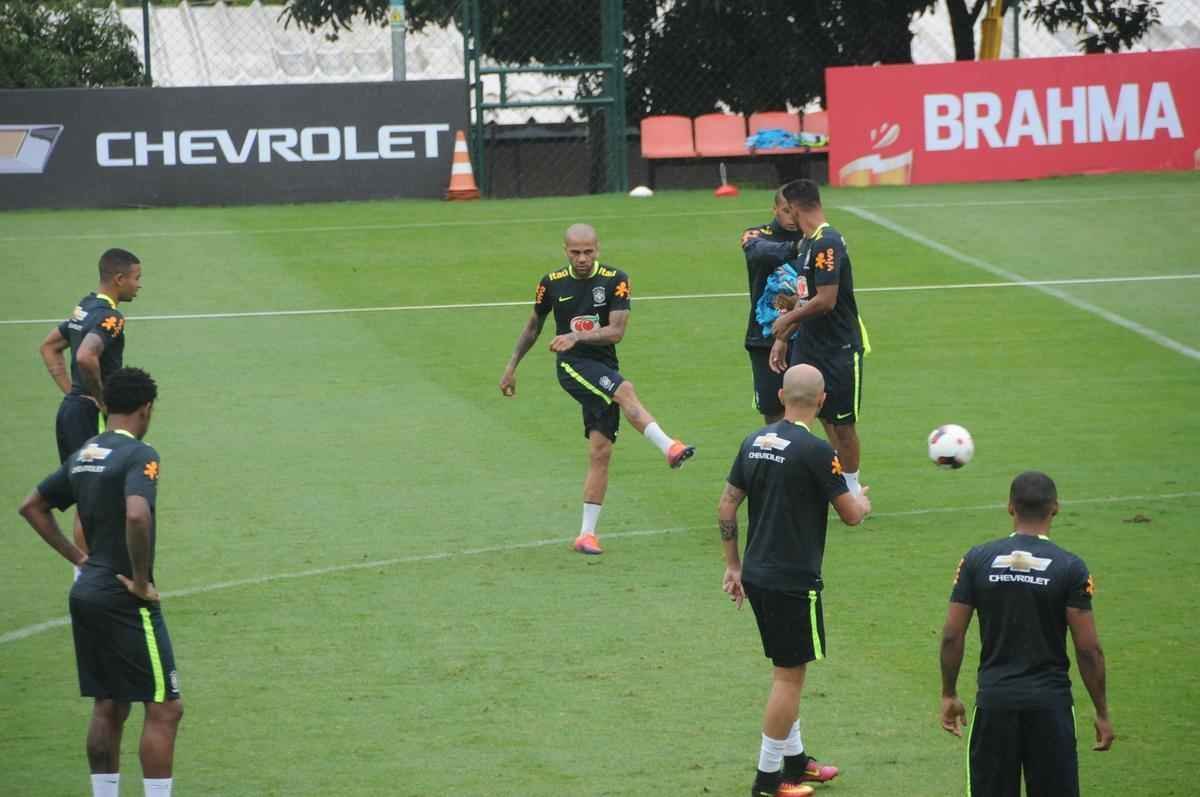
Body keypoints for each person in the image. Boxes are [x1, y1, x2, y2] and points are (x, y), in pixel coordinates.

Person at [18, 367, 183, 797]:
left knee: (109, 703)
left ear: (106, 405)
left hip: (87, 591)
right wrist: (142, 580)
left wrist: (78, 558)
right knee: (165, 706)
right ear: (146, 409)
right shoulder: (140, 454)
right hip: (122, 595)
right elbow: (136, 514)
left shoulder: (87, 452)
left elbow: (33, 506)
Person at [718, 364, 871, 797]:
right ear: (822, 401)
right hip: (791, 580)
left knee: (786, 667)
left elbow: (727, 505)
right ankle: (768, 781)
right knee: (788, 677)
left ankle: (796, 762)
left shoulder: (754, 442)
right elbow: (852, 515)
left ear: (782, 396)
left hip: (757, 573)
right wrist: (862, 501)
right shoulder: (818, 451)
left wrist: (733, 566)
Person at [499, 223, 694, 555]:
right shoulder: (551, 284)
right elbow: (534, 325)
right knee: (625, 390)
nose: (582, 258)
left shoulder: (616, 280)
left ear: (598, 249)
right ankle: (669, 447)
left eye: (588, 252)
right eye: (575, 252)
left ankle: (586, 535)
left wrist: (576, 335)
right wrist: (512, 365)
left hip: (603, 365)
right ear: (565, 251)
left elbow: (616, 332)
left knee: (600, 452)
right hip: (572, 366)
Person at [939, 471, 1113, 797]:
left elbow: (951, 634)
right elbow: (1088, 649)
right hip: (1051, 707)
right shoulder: (1070, 567)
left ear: (1010, 508)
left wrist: (949, 693)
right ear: (1055, 509)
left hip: (995, 703)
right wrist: (1102, 712)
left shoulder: (977, 560)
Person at [38, 248, 143, 563]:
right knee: (93, 499)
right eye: (137, 278)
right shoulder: (111, 317)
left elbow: (49, 347)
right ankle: (93, 573)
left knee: (87, 496)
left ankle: (87, 573)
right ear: (119, 278)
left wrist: (72, 392)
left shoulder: (84, 307)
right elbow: (85, 355)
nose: (139, 285)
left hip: (72, 411)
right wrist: (100, 399)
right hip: (90, 417)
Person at [767, 180, 868, 497]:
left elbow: (826, 300)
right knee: (810, 415)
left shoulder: (828, 242)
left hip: (838, 347)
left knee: (843, 424)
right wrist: (785, 336)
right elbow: (804, 298)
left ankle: (851, 491)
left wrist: (787, 319)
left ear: (795, 208)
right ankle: (826, 482)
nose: (787, 217)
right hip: (809, 345)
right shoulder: (807, 243)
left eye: (787, 210)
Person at [739, 189, 804, 424]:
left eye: (795, 211)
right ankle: (778, 458)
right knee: (773, 410)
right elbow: (759, 253)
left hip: (805, 335)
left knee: (809, 406)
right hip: (765, 336)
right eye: (785, 211)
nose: (790, 217)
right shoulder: (755, 235)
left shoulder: (814, 237)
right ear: (775, 209)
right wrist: (797, 248)